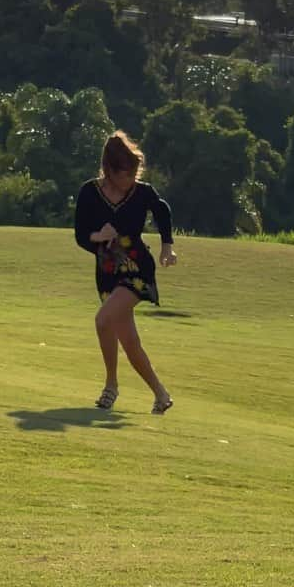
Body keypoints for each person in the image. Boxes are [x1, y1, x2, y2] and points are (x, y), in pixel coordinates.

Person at [74, 130, 177, 415]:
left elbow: (162, 212)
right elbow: (81, 235)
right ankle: (161, 394)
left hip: (136, 267)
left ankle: (110, 386)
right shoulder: (89, 193)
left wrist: (167, 246)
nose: (130, 180)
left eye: (134, 173)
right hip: (107, 270)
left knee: (102, 319)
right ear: (109, 170)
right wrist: (99, 235)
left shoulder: (142, 192)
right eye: (124, 175)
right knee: (128, 340)